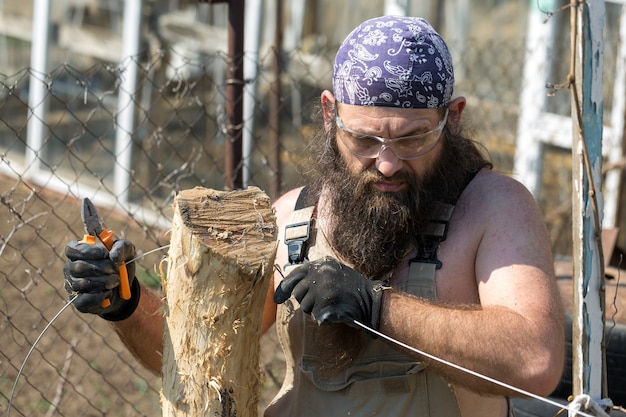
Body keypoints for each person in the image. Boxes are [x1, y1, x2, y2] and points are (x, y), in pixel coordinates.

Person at [64, 15, 565, 417]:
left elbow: (536, 360)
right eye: (365, 140)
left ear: (451, 120)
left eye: (413, 138)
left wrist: (377, 307)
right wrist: (125, 304)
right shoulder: (292, 218)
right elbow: (199, 356)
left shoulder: (494, 207)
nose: (387, 162)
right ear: (330, 115)